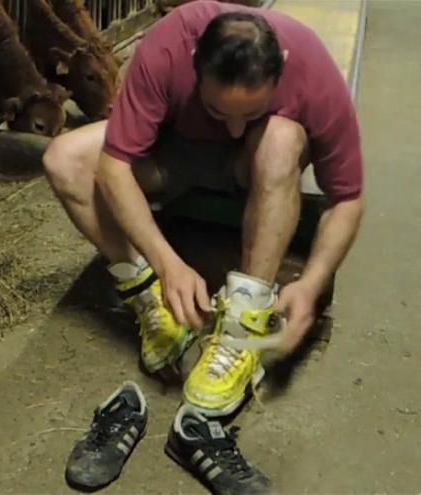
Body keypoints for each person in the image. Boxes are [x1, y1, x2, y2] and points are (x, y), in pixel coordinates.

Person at [48, 0, 364, 492]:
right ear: (194, 63)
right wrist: (167, 264)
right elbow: (114, 165)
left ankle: (242, 321)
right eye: (219, 109)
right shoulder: (168, 45)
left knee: (279, 137)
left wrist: (313, 282)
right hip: (174, 155)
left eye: (251, 110)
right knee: (64, 158)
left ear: (279, 66)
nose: (233, 125)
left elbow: (348, 197)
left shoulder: (311, 67)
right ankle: (152, 305)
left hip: (251, 166)